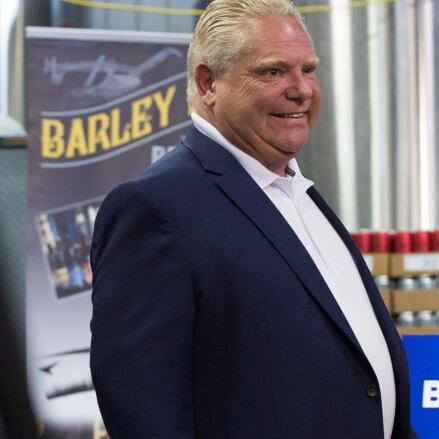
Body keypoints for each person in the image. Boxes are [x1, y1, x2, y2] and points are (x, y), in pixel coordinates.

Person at [89, 1, 414, 437]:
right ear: (208, 83)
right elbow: (145, 413)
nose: (301, 90)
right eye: (273, 71)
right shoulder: (155, 208)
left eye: (309, 69)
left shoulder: (301, 195)